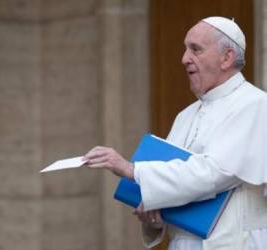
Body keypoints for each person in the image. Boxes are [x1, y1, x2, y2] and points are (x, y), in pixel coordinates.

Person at [84, 16, 267, 250]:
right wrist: (153, 216)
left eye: (195, 49)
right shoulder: (186, 115)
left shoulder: (256, 105)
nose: (184, 59)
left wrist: (132, 170)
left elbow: (215, 172)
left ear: (226, 57)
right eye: (185, 49)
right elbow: (171, 186)